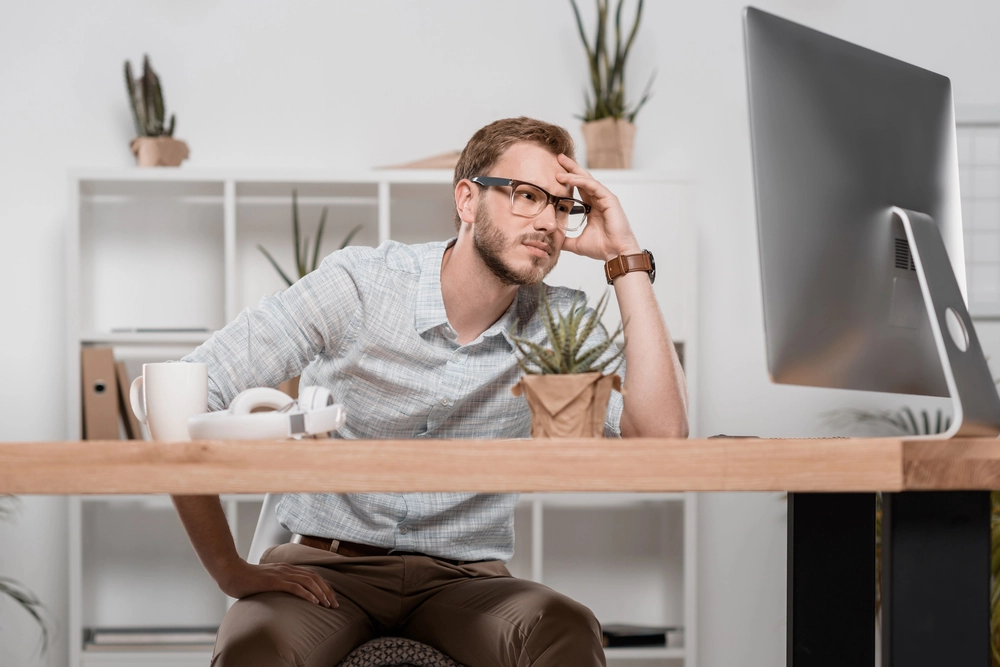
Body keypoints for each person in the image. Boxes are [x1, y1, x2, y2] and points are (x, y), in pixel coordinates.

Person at [174, 117, 688, 667]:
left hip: (467, 582)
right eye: (527, 197)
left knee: (567, 628)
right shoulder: (360, 285)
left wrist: (626, 258)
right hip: (328, 570)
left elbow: (660, 435)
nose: (548, 222)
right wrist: (229, 569)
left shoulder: (556, 322)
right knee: (254, 650)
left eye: (563, 207)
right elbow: (184, 394)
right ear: (467, 200)